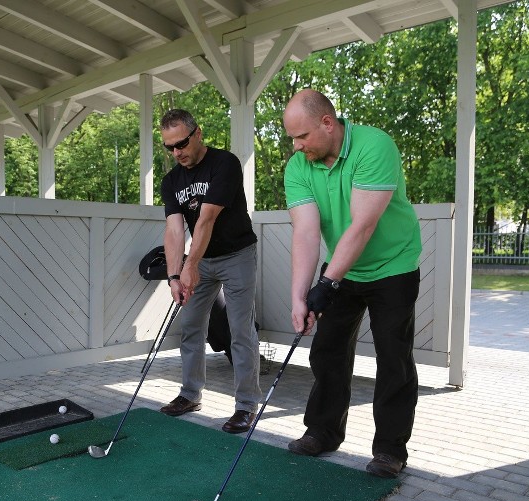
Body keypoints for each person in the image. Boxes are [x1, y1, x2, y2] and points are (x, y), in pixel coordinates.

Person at [282, 89, 422, 478]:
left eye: (303, 137)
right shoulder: (299, 167)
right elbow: (306, 234)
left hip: (393, 265)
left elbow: (363, 225)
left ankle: (390, 450)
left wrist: (326, 283)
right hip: (345, 268)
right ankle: (323, 432)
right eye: (292, 138)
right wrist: (299, 296)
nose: (297, 146)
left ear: (328, 123)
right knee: (327, 351)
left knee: (393, 357)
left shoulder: (374, 146)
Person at [157, 108, 262, 434]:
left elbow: (206, 219)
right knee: (190, 325)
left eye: (182, 144)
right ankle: (190, 395)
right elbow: (175, 231)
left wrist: (190, 266)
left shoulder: (225, 163)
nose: (177, 153)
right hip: (201, 260)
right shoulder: (171, 180)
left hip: (237, 255)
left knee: (240, 330)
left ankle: (246, 406)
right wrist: (175, 276)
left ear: (197, 133)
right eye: (169, 147)